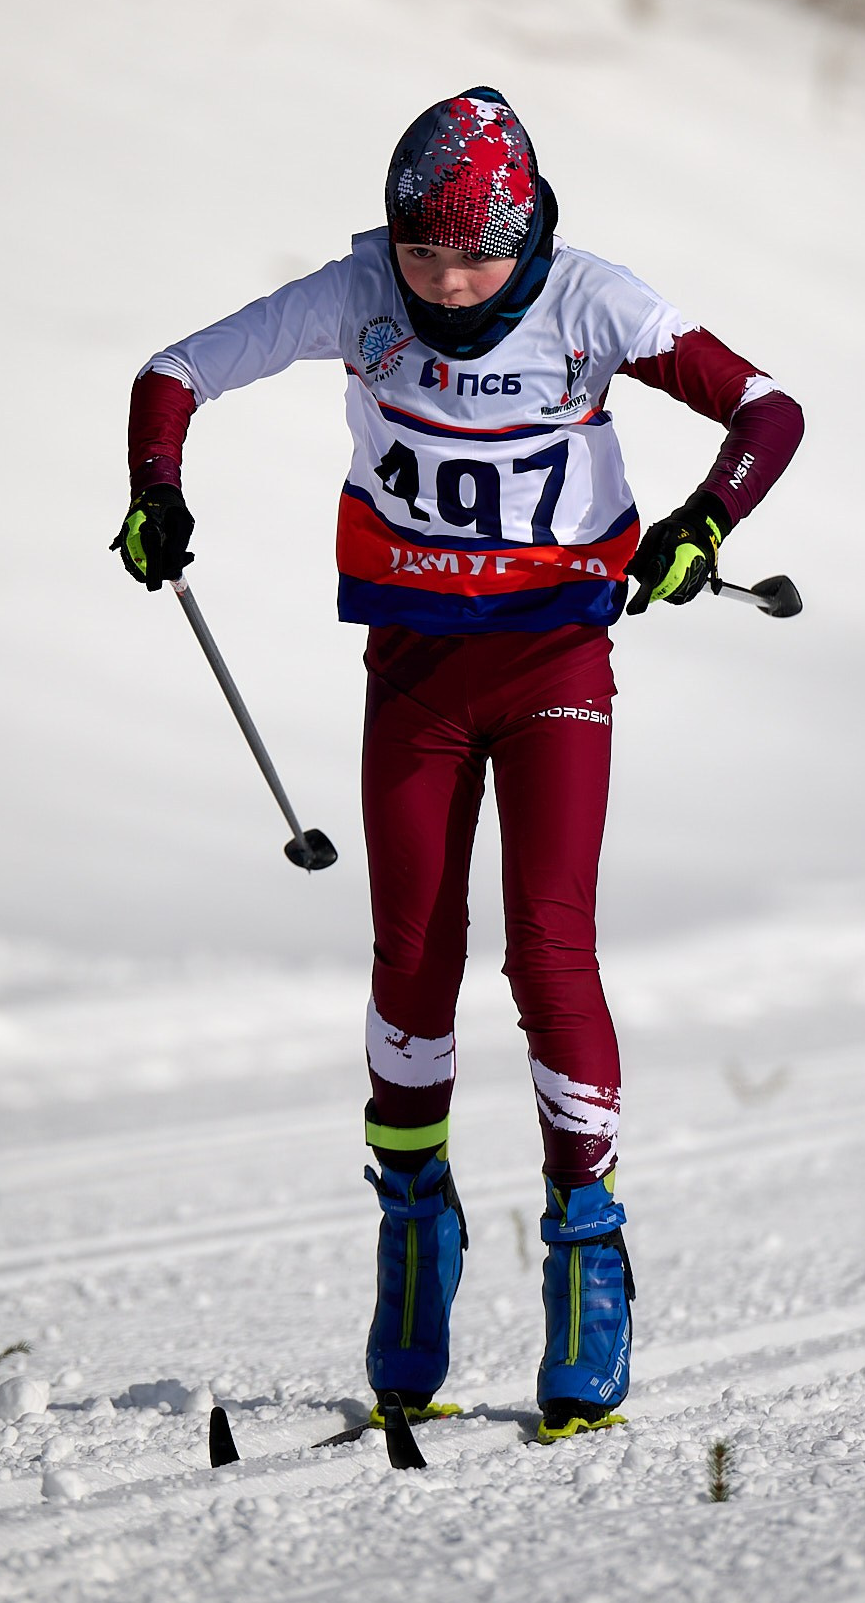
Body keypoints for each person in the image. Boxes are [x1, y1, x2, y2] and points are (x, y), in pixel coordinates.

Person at [110, 88, 804, 1440]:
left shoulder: (594, 303)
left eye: (472, 257)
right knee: (410, 955)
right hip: (417, 670)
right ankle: (416, 1233)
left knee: (547, 955)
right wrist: (156, 488)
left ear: (528, 231)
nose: (444, 283)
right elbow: (173, 372)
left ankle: (587, 1247)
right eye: (422, 255)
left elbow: (769, 412)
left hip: (552, 664)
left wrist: (702, 525)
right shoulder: (362, 293)